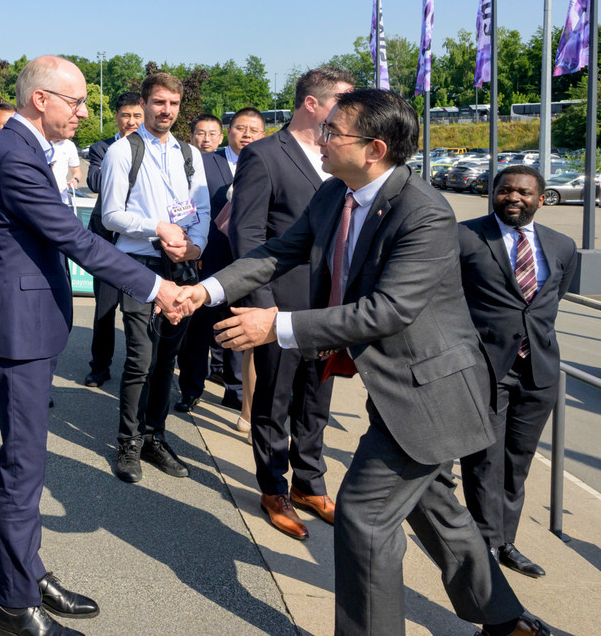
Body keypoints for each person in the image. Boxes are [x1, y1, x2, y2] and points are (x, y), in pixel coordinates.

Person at [201, 88, 548, 636]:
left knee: (362, 518)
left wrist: (277, 326)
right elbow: (278, 251)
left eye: (334, 132)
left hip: (432, 393)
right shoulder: (335, 192)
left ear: (375, 149)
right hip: (394, 389)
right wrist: (206, 292)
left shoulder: (426, 213)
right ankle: (508, 622)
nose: (321, 139)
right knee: (438, 511)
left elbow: (387, 311)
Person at [0, 56, 195, 636]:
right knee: (24, 469)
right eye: (73, 100)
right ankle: (14, 606)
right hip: (15, 332)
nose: (83, 111)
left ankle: (29, 572)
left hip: (28, 326)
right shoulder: (14, 155)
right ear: (40, 99)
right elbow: (72, 236)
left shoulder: (24, 149)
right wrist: (153, 284)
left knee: (30, 464)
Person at [230, 67, 354, 540]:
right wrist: (261, 308)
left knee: (316, 399)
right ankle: (272, 486)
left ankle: (309, 482)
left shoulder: (341, 154)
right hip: (278, 304)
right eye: (341, 102)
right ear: (311, 104)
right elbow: (248, 237)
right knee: (274, 399)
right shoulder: (265, 155)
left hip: (328, 306)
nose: (348, 112)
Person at [458, 164, 578, 580]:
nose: (514, 197)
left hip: (538, 371)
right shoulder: (465, 236)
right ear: (493, 194)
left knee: (517, 463)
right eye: (505, 190)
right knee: (482, 461)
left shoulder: (562, 246)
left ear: (540, 199)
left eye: (524, 192)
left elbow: (549, 300)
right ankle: (483, 545)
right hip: (483, 368)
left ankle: (505, 541)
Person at [99, 72, 210, 484]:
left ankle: (154, 437)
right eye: (159, 102)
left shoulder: (189, 155)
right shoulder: (123, 152)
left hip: (180, 268)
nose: (167, 111)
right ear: (144, 104)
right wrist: (157, 227)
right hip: (139, 266)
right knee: (140, 359)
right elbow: (111, 215)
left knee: (167, 360)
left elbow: (201, 210)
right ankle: (128, 442)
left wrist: (193, 247)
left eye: (174, 104)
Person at [176, 110, 254, 424]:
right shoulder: (204, 162)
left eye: (253, 129)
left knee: (239, 325)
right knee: (198, 326)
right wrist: (191, 245)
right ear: (228, 133)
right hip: (208, 256)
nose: (246, 134)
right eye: (240, 128)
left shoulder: (263, 162)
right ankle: (191, 388)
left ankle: (235, 389)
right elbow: (184, 205)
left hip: (247, 261)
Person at [82, 91, 144, 387]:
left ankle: (141, 369)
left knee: (142, 311)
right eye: (126, 115)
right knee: (105, 309)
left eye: (137, 116)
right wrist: (118, 155)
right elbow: (94, 182)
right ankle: (100, 366)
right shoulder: (102, 148)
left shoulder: (153, 151)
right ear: (116, 117)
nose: (131, 121)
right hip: (106, 239)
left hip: (142, 240)